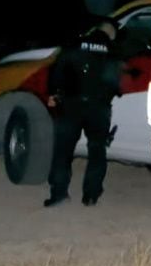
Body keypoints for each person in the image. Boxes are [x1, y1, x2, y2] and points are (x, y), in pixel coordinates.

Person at [44, 19, 122, 207]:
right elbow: (116, 83)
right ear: (111, 33)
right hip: (98, 108)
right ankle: (91, 195)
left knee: (62, 151)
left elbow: (57, 71)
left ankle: (59, 194)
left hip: (71, 105)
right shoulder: (113, 51)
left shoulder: (74, 44)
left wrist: (54, 93)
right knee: (97, 150)